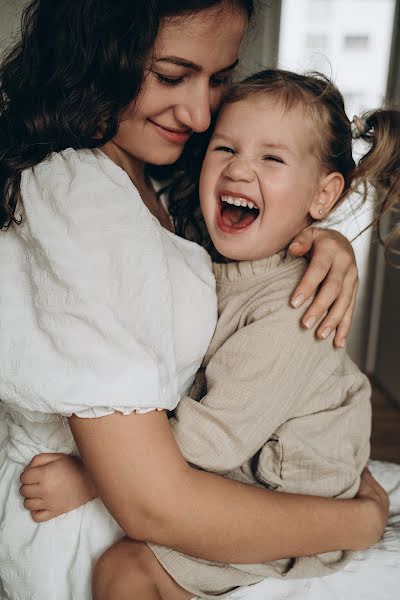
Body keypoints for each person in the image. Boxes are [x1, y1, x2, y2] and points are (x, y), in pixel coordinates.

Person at [0, 1, 388, 599]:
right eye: (171, 76)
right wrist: (358, 523)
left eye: (219, 78)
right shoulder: (81, 197)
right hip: (128, 512)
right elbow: (156, 497)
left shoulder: (158, 169)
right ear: (97, 55)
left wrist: (315, 235)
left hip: (232, 479)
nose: (201, 113)